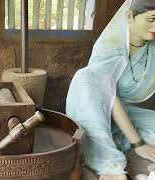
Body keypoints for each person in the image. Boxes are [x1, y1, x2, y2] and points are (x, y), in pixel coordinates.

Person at [66, 0, 155, 180]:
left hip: (128, 114)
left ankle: (122, 138)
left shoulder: (150, 47)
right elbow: (108, 97)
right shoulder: (110, 46)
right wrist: (138, 144)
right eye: (152, 19)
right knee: (85, 76)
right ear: (130, 17)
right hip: (97, 110)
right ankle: (110, 166)